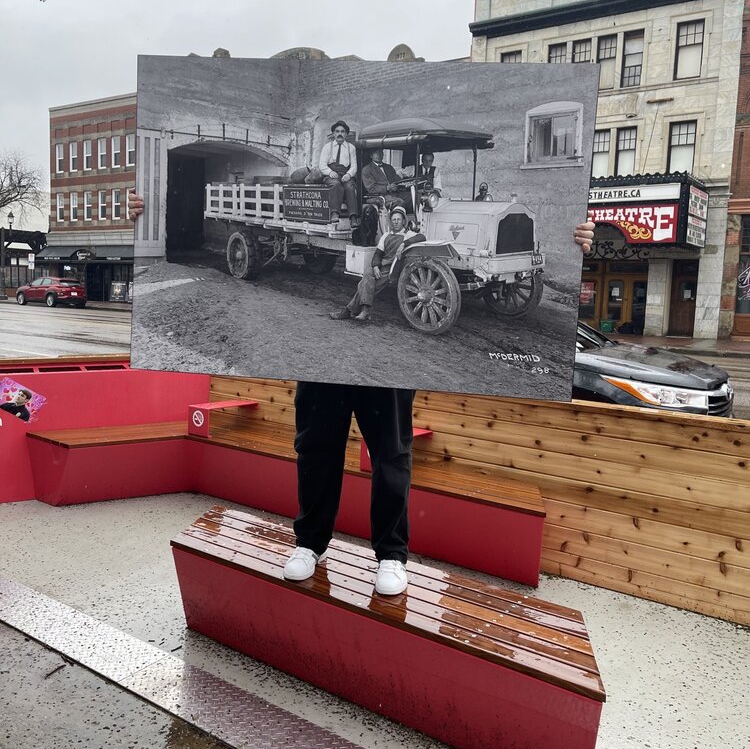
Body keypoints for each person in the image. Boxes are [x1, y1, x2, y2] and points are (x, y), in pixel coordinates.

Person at [128, 191, 596, 597]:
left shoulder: (415, 221)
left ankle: (391, 554)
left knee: (392, 452)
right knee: (316, 448)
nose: (396, 218)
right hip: (324, 375)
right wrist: (137, 218)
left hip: (388, 383)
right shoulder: (385, 218)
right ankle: (309, 543)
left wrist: (583, 252)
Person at [329, 206, 422, 324]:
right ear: (391, 221)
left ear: (404, 221)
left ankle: (350, 310)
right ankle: (363, 310)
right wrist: (376, 266)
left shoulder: (408, 234)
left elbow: (422, 237)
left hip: (394, 268)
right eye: (394, 220)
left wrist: (404, 243)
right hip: (382, 266)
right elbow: (378, 254)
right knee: (368, 274)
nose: (396, 222)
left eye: (399, 219)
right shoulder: (386, 235)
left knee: (367, 284)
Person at [318, 120, 359, 227]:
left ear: (346, 134)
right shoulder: (327, 147)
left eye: (342, 131)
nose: (339, 134)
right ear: (333, 133)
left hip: (345, 175)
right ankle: (335, 213)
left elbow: (354, 166)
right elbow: (322, 165)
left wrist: (349, 175)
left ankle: (353, 217)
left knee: (350, 187)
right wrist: (330, 172)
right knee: (335, 184)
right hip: (331, 175)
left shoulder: (351, 148)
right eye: (337, 131)